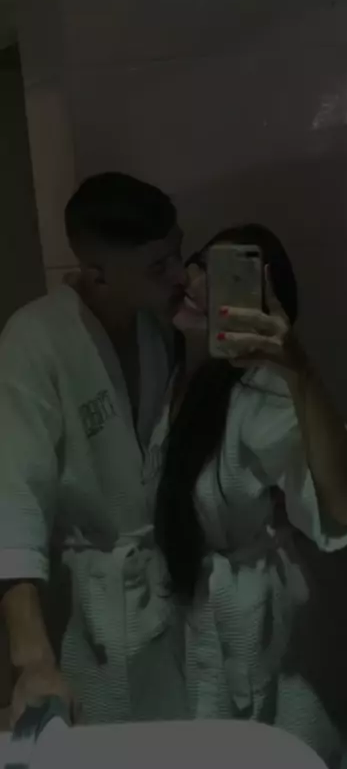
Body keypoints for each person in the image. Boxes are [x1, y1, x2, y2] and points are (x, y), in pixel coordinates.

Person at [152, 224, 347, 769]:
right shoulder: (175, 376)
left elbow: (341, 503)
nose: (196, 281)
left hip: (265, 644)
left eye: (224, 275)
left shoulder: (263, 387)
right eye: (200, 263)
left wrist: (297, 370)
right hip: (196, 627)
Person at [0, 172, 189, 727]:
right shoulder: (33, 340)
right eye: (158, 266)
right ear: (98, 273)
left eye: (177, 254)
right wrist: (32, 659)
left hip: (160, 597)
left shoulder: (161, 331)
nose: (180, 275)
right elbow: (13, 500)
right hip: (87, 616)